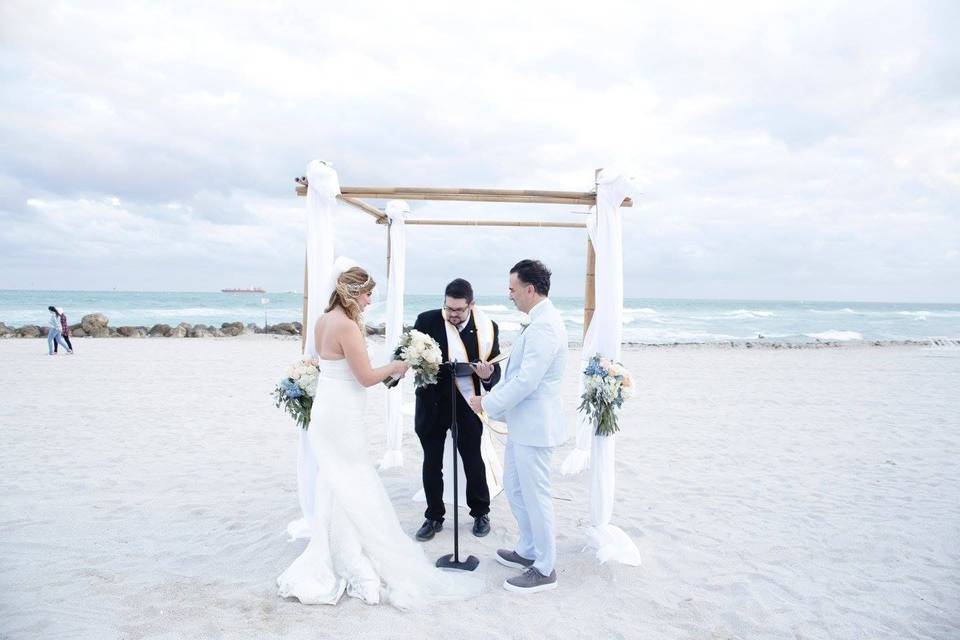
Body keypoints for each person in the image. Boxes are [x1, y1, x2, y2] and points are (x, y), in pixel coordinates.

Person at [277, 266, 482, 609]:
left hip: (328, 410)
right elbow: (367, 377)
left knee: (335, 479)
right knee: (355, 475)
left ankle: (337, 547)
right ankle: (353, 554)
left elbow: (328, 365)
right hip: (343, 414)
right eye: (368, 293)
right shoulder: (346, 325)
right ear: (353, 293)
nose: (371, 300)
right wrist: (397, 367)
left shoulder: (325, 319)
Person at [468, 259, 568, 594]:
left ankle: (545, 566)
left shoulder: (544, 326)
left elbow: (527, 380)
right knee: (513, 486)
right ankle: (528, 549)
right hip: (524, 425)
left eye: (512, 289)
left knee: (536, 495)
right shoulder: (536, 321)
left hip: (537, 427)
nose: (509, 294)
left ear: (529, 289)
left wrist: (489, 402)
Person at [411, 278, 502, 541]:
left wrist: (486, 376)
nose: (452, 314)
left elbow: (494, 375)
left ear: (471, 305)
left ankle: (480, 512)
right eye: (448, 308)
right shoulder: (426, 321)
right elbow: (410, 356)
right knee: (431, 462)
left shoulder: (487, 329)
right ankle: (433, 516)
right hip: (431, 402)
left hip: (467, 404)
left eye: (459, 310)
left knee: (473, 459)